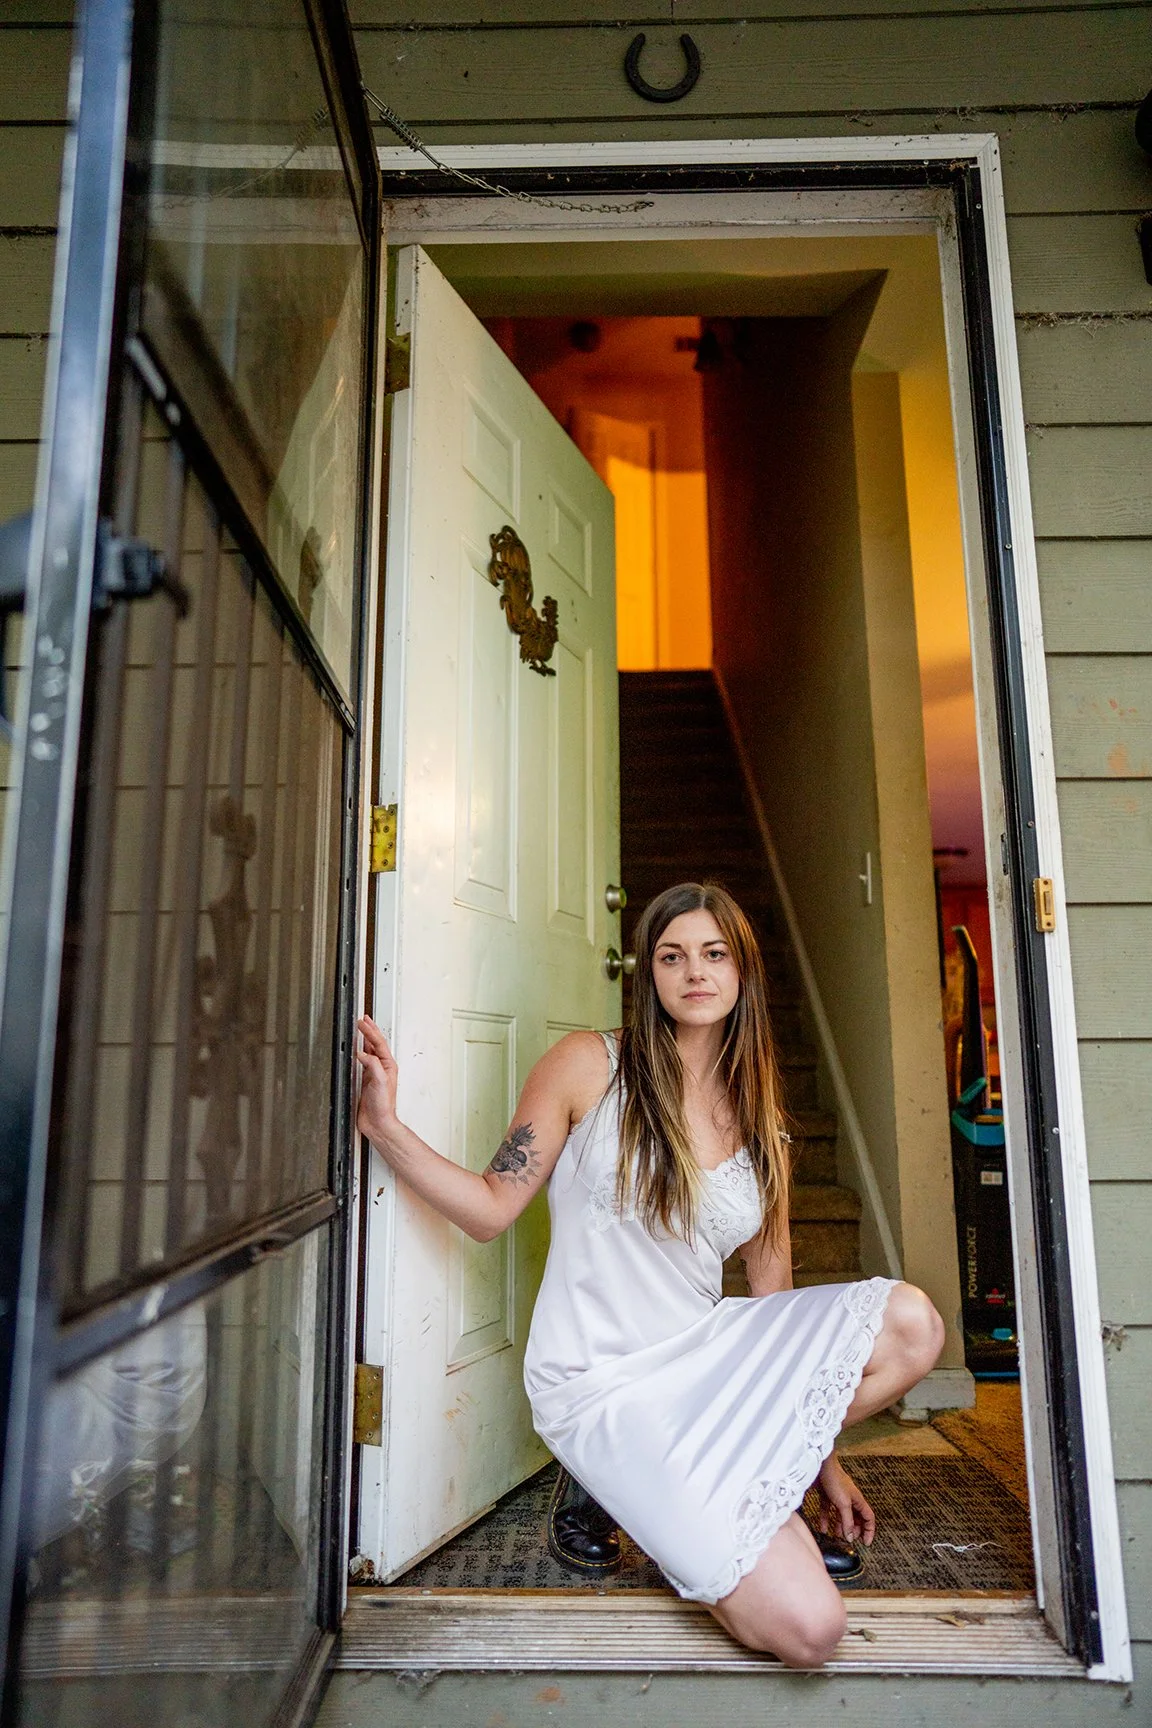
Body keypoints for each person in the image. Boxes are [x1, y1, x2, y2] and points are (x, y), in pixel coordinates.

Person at [356, 881, 944, 1666]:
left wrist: (815, 1458)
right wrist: (385, 1126)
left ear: (742, 971)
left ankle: (748, 1477)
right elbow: (491, 1208)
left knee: (912, 1324)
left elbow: (774, 1301)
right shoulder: (587, 1066)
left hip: (710, 1365)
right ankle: (626, 1485)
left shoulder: (761, 1119)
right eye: (673, 956)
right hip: (603, 1384)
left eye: (714, 954)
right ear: (649, 972)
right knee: (812, 1631)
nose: (694, 972)